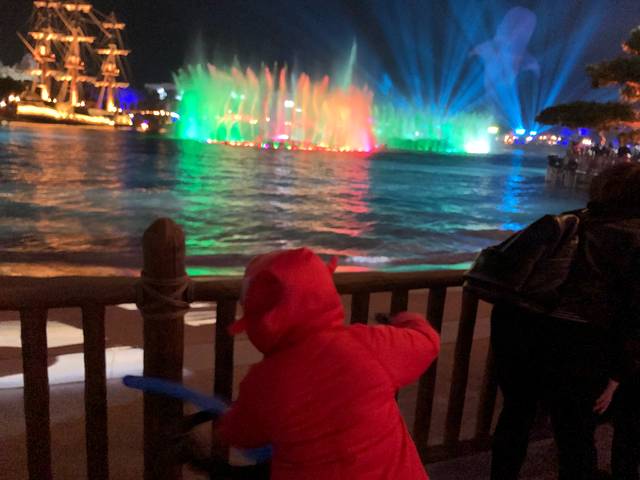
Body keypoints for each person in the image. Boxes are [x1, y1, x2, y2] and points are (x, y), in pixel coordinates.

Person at [214, 248, 440, 479]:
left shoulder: (263, 382)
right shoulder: (368, 346)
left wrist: (225, 420)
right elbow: (428, 342)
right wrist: (406, 319)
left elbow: (239, 433)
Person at [487, 163, 640, 480]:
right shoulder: (633, 239)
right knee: (575, 432)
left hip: (521, 331)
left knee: (516, 416)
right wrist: (618, 373)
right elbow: (634, 315)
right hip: (581, 346)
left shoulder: (568, 221)